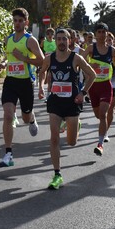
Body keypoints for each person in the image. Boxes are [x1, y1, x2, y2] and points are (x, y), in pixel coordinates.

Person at [38, 29, 96, 189]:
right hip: (55, 102)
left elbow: (92, 75)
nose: (62, 42)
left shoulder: (75, 58)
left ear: (70, 41)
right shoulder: (49, 59)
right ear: (55, 41)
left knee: (71, 142)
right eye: (59, 39)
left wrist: (83, 93)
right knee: (54, 139)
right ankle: (57, 174)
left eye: (65, 39)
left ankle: (76, 125)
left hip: (72, 102)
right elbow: (42, 73)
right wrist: (41, 88)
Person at [0, 8, 45, 168]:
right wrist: (3, 63)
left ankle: (31, 119)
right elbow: (8, 57)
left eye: (20, 21)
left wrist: (24, 58)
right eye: (15, 20)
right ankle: (8, 153)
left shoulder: (30, 40)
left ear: (26, 22)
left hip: (25, 83)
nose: (17, 23)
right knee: (8, 115)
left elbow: (42, 61)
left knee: (24, 117)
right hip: (10, 82)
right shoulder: (8, 39)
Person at [80, 22, 115, 156]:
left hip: (105, 85)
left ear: (107, 34)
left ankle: (100, 144)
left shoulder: (112, 49)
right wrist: (91, 64)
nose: (102, 35)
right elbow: (81, 61)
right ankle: (81, 124)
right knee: (98, 115)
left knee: (103, 114)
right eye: (99, 32)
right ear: (96, 34)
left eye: (104, 32)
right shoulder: (91, 48)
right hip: (93, 86)